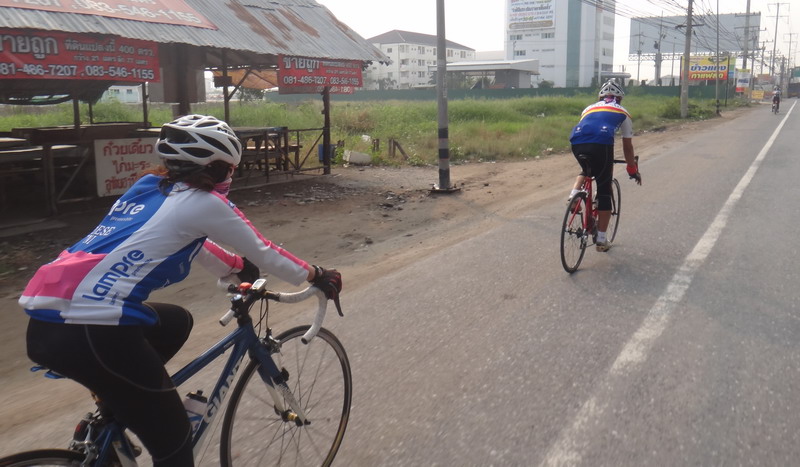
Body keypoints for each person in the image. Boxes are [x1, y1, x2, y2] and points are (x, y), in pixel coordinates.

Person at [18, 114, 342, 467]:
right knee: (175, 443)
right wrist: (318, 275)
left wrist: (234, 266)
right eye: (230, 169)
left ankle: (120, 408)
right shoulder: (206, 203)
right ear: (218, 168)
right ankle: (143, 408)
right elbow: (264, 250)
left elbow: (182, 238)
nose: (230, 176)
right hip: (91, 328)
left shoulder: (149, 186)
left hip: (48, 318)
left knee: (175, 322)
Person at [568, 79, 642, 252]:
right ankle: (601, 239)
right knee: (604, 189)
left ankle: (574, 195)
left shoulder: (588, 109)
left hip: (577, 142)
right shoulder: (623, 112)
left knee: (587, 169)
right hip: (601, 144)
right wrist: (632, 169)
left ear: (600, 97)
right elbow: (627, 147)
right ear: (619, 99)